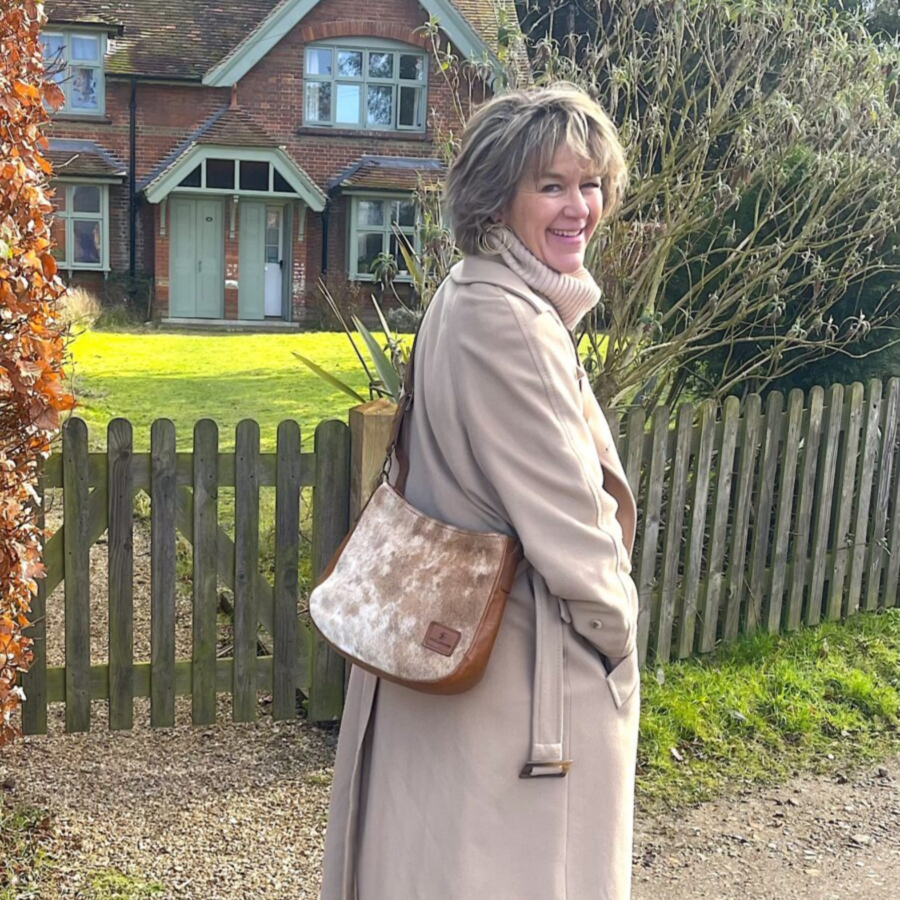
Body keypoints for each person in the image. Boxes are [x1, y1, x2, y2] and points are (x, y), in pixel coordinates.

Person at [319, 82, 640, 900]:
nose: (580, 208)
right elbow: (572, 530)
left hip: (454, 661)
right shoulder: (511, 321)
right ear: (497, 197)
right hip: (523, 685)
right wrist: (617, 642)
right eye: (552, 185)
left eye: (591, 183)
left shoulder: (467, 293)